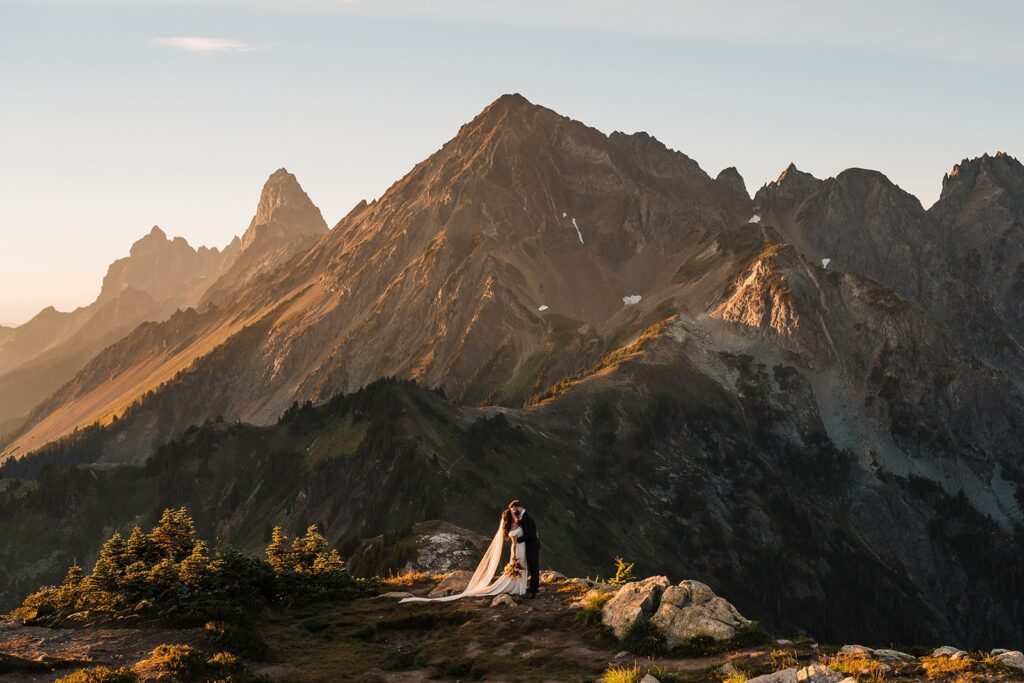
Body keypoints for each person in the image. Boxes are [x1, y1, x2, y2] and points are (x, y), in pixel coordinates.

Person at [399, 506, 528, 603]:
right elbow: (515, 543)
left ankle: (517, 587)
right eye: (512, 513)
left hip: (519, 549)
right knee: (519, 567)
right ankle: (517, 588)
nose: (514, 513)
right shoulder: (512, 528)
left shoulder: (514, 525)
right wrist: (514, 556)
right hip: (518, 550)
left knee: (520, 568)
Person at [508, 499, 540, 598]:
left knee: (534, 569)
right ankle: (531, 587)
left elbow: (530, 535)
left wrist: (517, 539)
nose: (513, 511)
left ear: (518, 507)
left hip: (532, 546)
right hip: (529, 546)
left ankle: (533, 591)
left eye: (513, 509)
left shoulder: (528, 518)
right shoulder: (522, 516)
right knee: (531, 568)